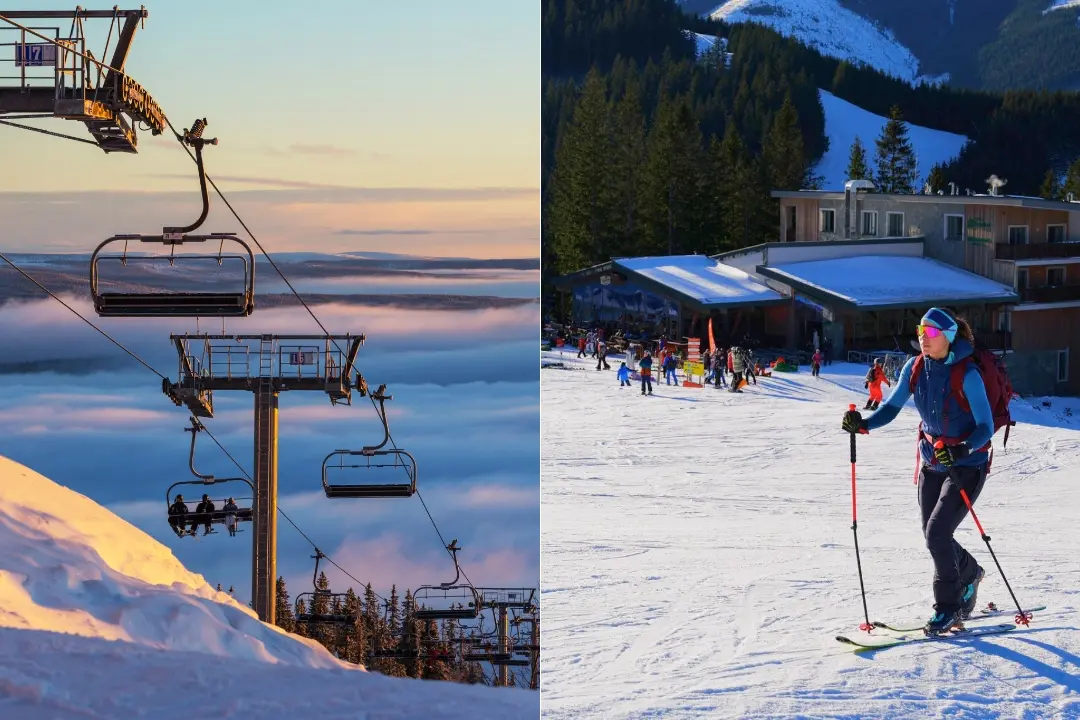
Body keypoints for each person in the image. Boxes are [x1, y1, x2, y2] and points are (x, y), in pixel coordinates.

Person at [842, 307, 991, 635]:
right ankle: (970, 573)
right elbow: (891, 407)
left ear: (948, 337)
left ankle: (949, 607)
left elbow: (985, 426)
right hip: (932, 461)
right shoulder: (915, 367)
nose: (923, 337)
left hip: (967, 465)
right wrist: (863, 424)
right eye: (921, 330)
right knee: (933, 534)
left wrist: (962, 449)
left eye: (932, 332)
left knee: (937, 533)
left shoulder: (968, 375)